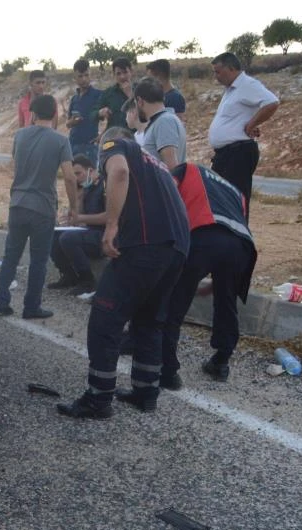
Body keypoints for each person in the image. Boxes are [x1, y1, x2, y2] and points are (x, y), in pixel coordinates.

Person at [57, 127, 190, 418]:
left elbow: (118, 172)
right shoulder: (155, 165)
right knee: (149, 321)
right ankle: (146, 392)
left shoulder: (115, 145)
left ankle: (98, 398)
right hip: (177, 248)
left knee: (106, 317)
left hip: (145, 245)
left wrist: (112, 226)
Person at [160, 163, 256, 388]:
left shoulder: (186, 169)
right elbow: (229, 235)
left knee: (174, 302)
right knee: (226, 302)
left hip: (203, 237)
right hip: (241, 246)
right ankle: (221, 362)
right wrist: (219, 280)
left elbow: (165, 200)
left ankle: (168, 371)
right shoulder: (236, 191)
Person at [0, 95, 76, 320]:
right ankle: (31, 307)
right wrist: (74, 207)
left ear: (33, 114)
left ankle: (1, 300)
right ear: (55, 114)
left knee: (11, 256)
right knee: (38, 261)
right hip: (43, 208)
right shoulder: (61, 141)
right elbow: (70, 177)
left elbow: (16, 163)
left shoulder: (20, 136)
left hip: (18, 204)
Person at [208, 52, 280, 221]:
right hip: (226, 153)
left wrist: (252, 124)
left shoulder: (247, 85)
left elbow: (272, 102)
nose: (216, 76)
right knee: (219, 196)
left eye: (218, 72)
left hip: (239, 152)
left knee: (235, 198)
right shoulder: (230, 90)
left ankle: (240, 235)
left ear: (231, 68)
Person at [48, 154, 106, 294]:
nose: (76, 178)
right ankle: (69, 275)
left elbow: (109, 217)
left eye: (78, 173)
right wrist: (78, 195)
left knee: (68, 238)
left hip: (105, 234)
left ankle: (88, 280)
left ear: (91, 170)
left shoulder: (104, 186)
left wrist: (79, 218)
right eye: (73, 175)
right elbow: (78, 215)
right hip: (89, 231)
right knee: (52, 235)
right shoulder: (87, 187)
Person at [134, 77, 187, 169]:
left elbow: (171, 167)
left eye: (135, 104)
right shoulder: (161, 121)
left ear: (140, 101)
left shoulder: (164, 121)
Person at [67, 59, 103, 165]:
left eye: (86, 75)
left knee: (90, 174)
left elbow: (112, 116)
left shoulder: (98, 95)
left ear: (90, 75)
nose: (84, 79)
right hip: (73, 145)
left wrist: (103, 134)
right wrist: (72, 122)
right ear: (75, 78)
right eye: (80, 76)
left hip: (90, 146)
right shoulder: (74, 98)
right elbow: (67, 124)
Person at [93, 58, 134, 133]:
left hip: (136, 136)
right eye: (118, 73)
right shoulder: (108, 93)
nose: (122, 76)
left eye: (125, 72)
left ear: (131, 71)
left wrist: (130, 95)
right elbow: (92, 114)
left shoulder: (140, 90)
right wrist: (100, 113)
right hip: (115, 136)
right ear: (113, 74)